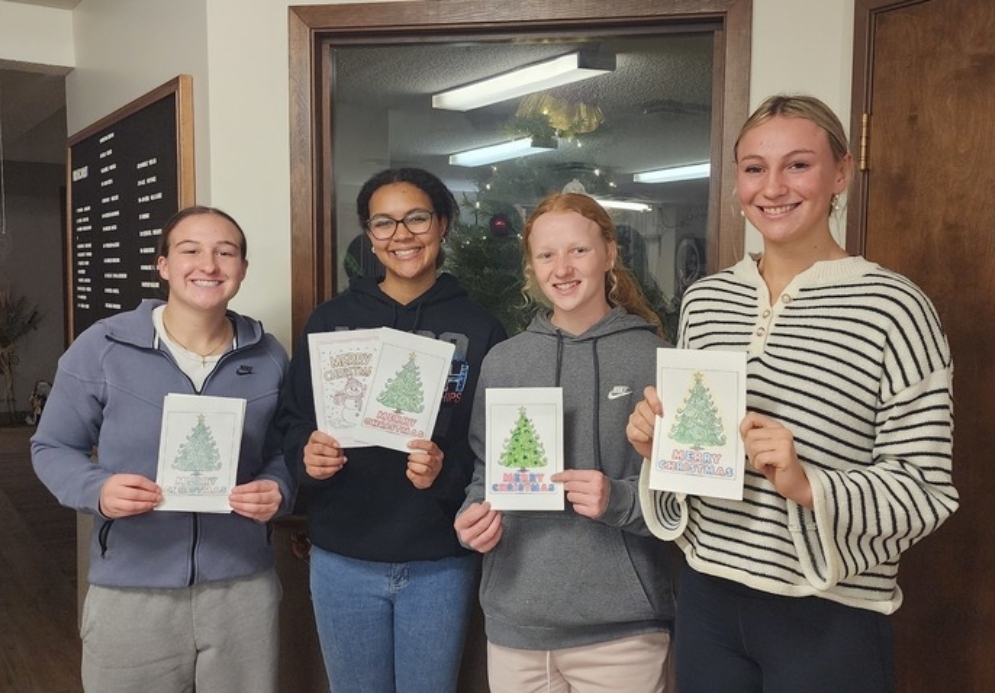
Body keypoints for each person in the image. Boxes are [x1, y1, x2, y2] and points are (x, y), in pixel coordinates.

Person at [626, 94, 959, 692]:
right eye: (755, 168)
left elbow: (926, 490)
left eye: (798, 165)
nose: (773, 187)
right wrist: (661, 454)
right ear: (737, 183)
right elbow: (696, 463)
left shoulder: (895, 308)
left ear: (841, 172)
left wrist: (811, 486)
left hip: (831, 613)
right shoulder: (706, 301)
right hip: (707, 597)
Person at [31, 205, 292, 693]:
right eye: (190, 250)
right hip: (131, 589)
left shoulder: (268, 355)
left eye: (225, 252)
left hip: (242, 590)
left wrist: (279, 487)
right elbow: (52, 446)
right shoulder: (103, 347)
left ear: (242, 269)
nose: (208, 265)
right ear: (164, 265)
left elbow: (283, 451)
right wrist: (98, 488)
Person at [274, 167, 507, 693]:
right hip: (342, 557)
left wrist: (446, 475)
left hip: (439, 560)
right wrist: (305, 454)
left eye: (417, 218)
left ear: (442, 224)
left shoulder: (480, 327)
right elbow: (292, 419)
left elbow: (492, 446)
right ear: (369, 236)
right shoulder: (330, 321)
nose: (401, 235)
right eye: (383, 223)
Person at [455, 192, 676, 693]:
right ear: (531, 266)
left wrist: (618, 499)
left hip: (623, 630)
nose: (563, 268)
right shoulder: (505, 362)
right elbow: (485, 472)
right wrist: (474, 517)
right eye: (546, 255)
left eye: (578, 250)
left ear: (610, 254)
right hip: (516, 622)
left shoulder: (656, 359)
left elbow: (682, 499)